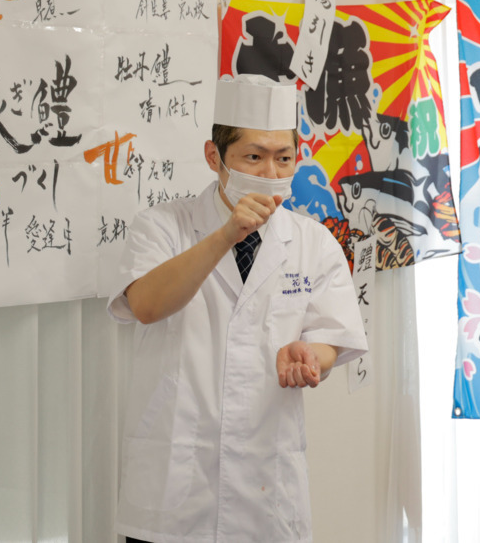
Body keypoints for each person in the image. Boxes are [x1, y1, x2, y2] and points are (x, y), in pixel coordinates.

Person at [107, 75, 369, 543]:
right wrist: (226, 234)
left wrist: (313, 358)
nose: (270, 174)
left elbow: (333, 336)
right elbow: (144, 305)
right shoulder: (164, 226)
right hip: (174, 491)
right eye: (253, 157)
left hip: (268, 491)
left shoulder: (313, 242)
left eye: (283, 158)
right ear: (215, 157)